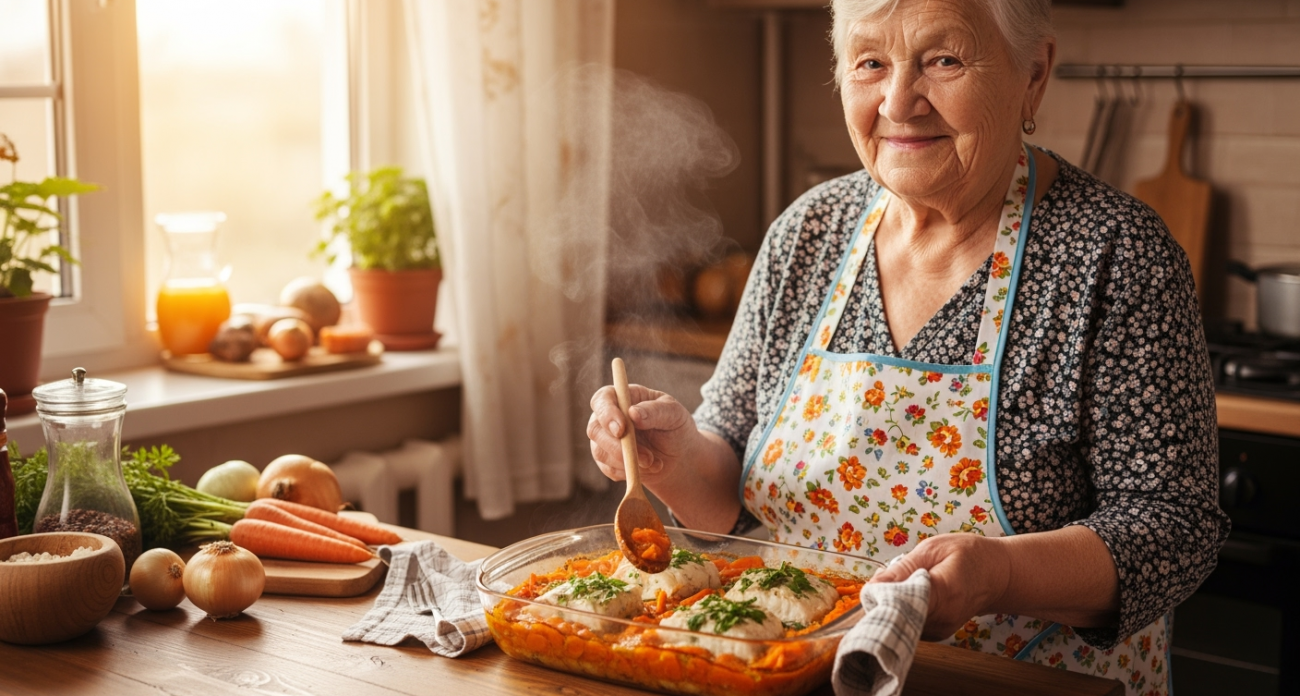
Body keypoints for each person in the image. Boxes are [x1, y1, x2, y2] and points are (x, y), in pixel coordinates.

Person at [587, 0, 1228, 692]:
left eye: (942, 60)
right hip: (791, 674)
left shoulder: (1115, 255)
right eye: (870, 63)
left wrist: (998, 576)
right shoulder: (808, 234)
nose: (899, 101)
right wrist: (678, 460)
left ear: (1033, 74)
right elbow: (735, 501)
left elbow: (1176, 531)